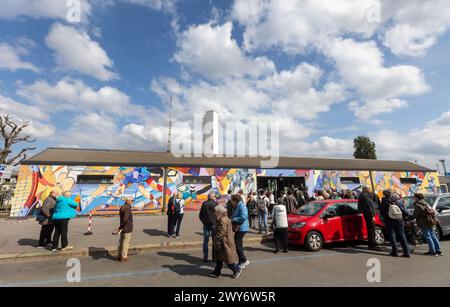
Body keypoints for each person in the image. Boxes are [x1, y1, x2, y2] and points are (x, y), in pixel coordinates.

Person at [210, 205, 242, 279]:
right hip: (223, 242)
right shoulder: (223, 218)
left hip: (224, 242)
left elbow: (221, 232)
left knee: (227, 259)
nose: (214, 213)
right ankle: (217, 272)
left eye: (215, 212)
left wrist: (215, 239)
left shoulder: (222, 219)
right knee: (219, 258)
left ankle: (236, 269)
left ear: (219, 212)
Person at [380, 190, 411, 258]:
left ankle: (395, 251)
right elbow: (402, 208)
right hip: (399, 219)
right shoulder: (395, 200)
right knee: (402, 235)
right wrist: (407, 215)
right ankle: (406, 252)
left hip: (389, 220)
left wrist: (383, 218)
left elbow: (382, 211)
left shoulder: (384, 200)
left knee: (392, 234)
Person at [230, 194, 250, 270]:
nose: (231, 202)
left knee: (236, 244)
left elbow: (244, 216)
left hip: (242, 228)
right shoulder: (239, 205)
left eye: (232, 200)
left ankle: (244, 260)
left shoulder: (241, 205)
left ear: (235, 200)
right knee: (239, 245)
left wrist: (233, 219)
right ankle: (241, 262)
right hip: (240, 228)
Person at [358, 187, 381, 251]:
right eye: (369, 189)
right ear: (367, 190)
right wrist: (372, 216)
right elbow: (369, 206)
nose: (371, 190)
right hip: (369, 215)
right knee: (371, 230)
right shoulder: (365, 196)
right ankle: (372, 245)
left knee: (371, 230)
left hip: (367, 214)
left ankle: (372, 245)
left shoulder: (362, 195)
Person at [199, 192, 219, 262]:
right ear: (212, 197)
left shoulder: (204, 204)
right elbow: (218, 216)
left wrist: (204, 222)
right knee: (215, 241)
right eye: (215, 197)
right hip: (214, 225)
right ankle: (215, 258)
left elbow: (200, 215)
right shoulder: (216, 204)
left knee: (205, 241)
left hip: (206, 225)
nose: (215, 198)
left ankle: (205, 257)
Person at [114, 197, 134, 262]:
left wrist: (120, 227)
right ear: (128, 201)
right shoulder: (128, 208)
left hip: (123, 227)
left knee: (121, 241)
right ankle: (124, 256)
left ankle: (119, 256)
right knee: (126, 242)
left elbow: (122, 218)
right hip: (127, 227)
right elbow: (125, 219)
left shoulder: (122, 207)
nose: (132, 202)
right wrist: (121, 227)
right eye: (132, 200)